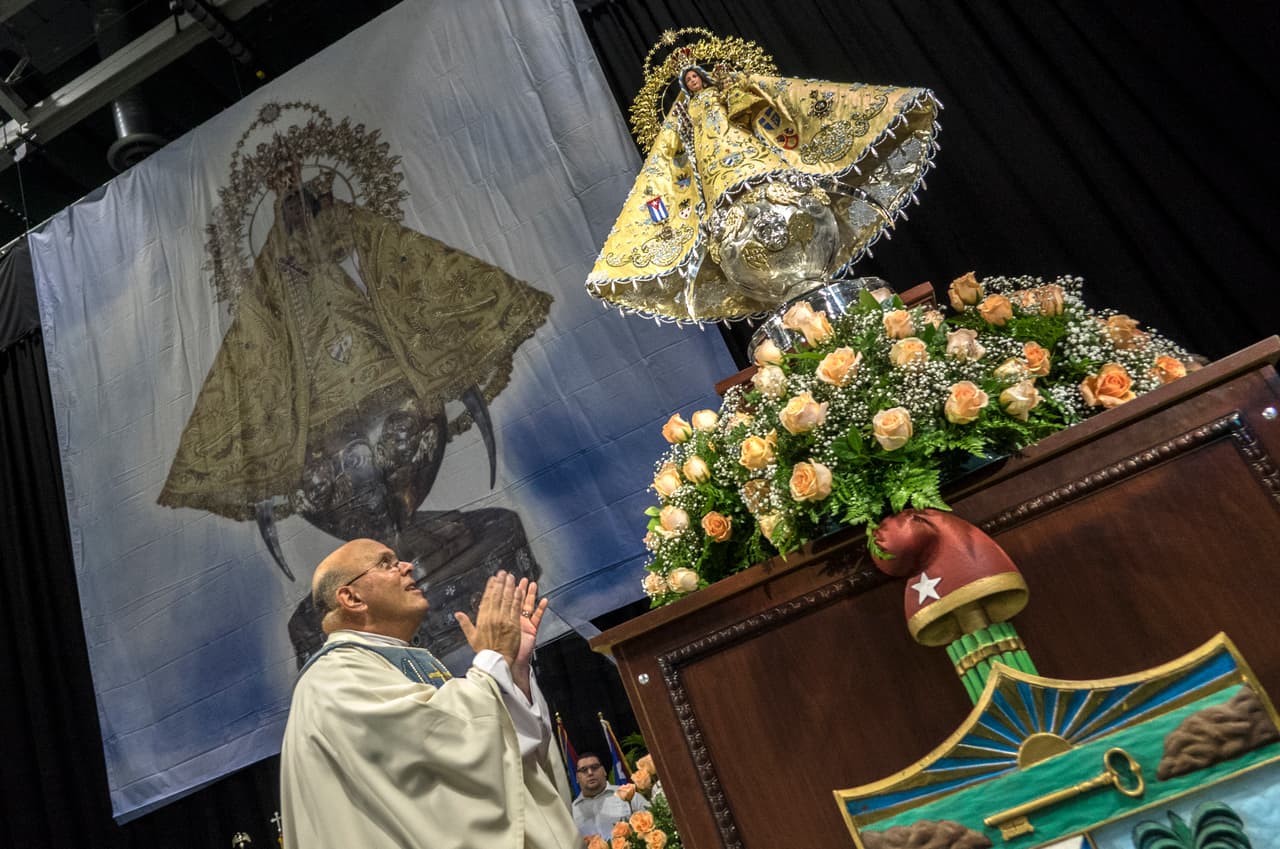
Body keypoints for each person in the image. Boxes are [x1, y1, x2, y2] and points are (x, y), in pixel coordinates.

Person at [586, 32, 941, 322]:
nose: (693, 81)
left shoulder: (719, 91)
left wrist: (732, 83)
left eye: (696, 76)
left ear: (702, 76)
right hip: (713, 167)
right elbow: (679, 148)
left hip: (745, 152)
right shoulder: (685, 109)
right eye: (689, 79)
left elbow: (749, 105)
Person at [279, 538, 578, 849]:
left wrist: (512, 672)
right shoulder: (333, 680)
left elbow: (496, 758)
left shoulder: (387, 660)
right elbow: (448, 753)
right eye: (386, 563)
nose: (408, 567)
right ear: (351, 597)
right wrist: (493, 659)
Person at [570, 751, 651, 841]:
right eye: (584, 770)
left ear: (604, 771)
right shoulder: (571, 812)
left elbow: (654, 822)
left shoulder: (628, 794)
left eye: (594, 767)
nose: (590, 773)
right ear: (577, 778)